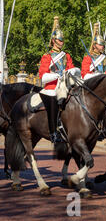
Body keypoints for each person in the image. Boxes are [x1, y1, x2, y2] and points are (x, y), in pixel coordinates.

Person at [39, 16, 77, 144]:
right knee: (54, 99)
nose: (62, 42)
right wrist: (56, 75)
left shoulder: (66, 56)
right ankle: (53, 132)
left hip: (64, 86)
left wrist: (68, 72)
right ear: (54, 41)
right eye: (60, 40)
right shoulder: (46, 57)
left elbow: (72, 69)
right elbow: (43, 77)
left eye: (62, 40)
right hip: (51, 88)